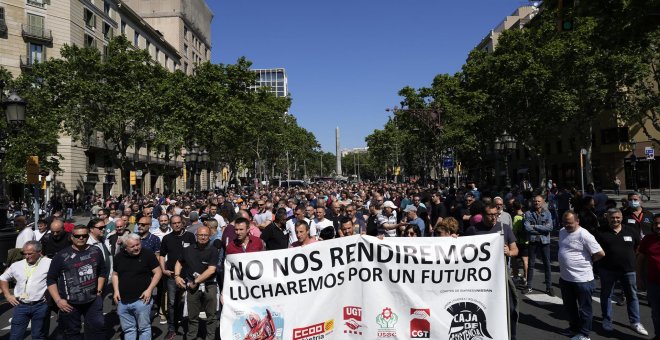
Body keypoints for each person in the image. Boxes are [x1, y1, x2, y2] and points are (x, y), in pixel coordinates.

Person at [464, 203, 519, 340]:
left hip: (500, 276)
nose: (494, 217)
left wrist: (509, 252)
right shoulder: (473, 230)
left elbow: (515, 249)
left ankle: (512, 336)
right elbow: (462, 249)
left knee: (511, 308)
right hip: (480, 278)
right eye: (490, 214)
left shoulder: (504, 228)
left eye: (496, 214)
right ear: (482, 215)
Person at [46, 225, 106, 339]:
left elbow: (102, 272)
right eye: (78, 236)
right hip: (69, 303)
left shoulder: (96, 251)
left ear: (88, 236)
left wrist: (99, 291)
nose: (81, 238)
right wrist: (58, 300)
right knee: (72, 333)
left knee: (98, 328)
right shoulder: (61, 256)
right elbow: (50, 279)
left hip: (92, 301)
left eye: (84, 235)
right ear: (72, 237)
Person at [595, 208, 648, 335]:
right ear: (607, 218)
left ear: (622, 218)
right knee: (606, 295)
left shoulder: (631, 230)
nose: (615, 220)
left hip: (629, 270)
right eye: (612, 217)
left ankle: (635, 322)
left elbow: (638, 247)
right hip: (607, 270)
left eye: (617, 217)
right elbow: (594, 249)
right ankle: (607, 320)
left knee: (632, 296)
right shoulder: (599, 232)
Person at [557, 211, 605, 340]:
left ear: (577, 221)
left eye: (570, 223)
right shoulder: (562, 231)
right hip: (566, 278)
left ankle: (584, 334)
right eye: (564, 223)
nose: (566, 225)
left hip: (582, 280)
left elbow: (600, 253)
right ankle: (574, 328)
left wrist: (589, 261)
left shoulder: (585, 235)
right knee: (570, 307)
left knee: (584, 309)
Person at [112, 233, 162, 340]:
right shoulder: (118, 257)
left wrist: (149, 290)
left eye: (138, 244)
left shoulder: (147, 254)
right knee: (129, 329)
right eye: (132, 246)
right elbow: (115, 274)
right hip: (123, 301)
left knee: (144, 328)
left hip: (142, 300)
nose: (136, 248)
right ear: (125, 248)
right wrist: (116, 291)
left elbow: (158, 272)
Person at [0, 241, 52, 340]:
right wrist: (7, 295)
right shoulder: (17, 265)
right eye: (24, 253)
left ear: (39, 252)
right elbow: (3, 278)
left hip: (41, 305)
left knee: (38, 336)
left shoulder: (49, 263)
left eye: (30, 254)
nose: (26, 256)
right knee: (15, 336)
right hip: (21, 305)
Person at [174, 226, 218, 340]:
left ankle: (210, 337)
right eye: (200, 235)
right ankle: (191, 337)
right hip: (192, 286)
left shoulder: (213, 250)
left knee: (211, 315)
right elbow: (179, 262)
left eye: (205, 235)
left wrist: (196, 281)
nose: (202, 237)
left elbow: (211, 269)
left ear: (210, 236)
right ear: (196, 236)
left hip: (209, 285)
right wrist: (177, 276)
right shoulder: (188, 249)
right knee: (192, 315)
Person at [159, 215, 196, 340]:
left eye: (178, 222)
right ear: (171, 224)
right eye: (174, 223)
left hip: (188, 274)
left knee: (191, 302)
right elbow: (162, 255)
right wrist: (163, 269)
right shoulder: (166, 238)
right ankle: (171, 329)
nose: (176, 225)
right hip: (172, 275)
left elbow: (195, 253)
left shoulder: (190, 236)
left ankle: (191, 329)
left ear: (182, 223)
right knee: (172, 302)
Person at [524, 195, 554, 296]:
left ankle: (549, 287)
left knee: (547, 264)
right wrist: (542, 230)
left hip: (545, 242)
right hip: (533, 241)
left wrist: (535, 226)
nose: (537, 203)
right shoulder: (528, 213)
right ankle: (529, 286)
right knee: (531, 265)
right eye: (535, 201)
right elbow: (527, 228)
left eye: (539, 201)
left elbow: (549, 228)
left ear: (542, 202)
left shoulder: (547, 213)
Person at [637, 213, 660, 339]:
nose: (658, 226)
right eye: (656, 223)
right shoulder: (647, 239)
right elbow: (640, 259)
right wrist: (639, 277)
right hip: (654, 284)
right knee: (656, 313)